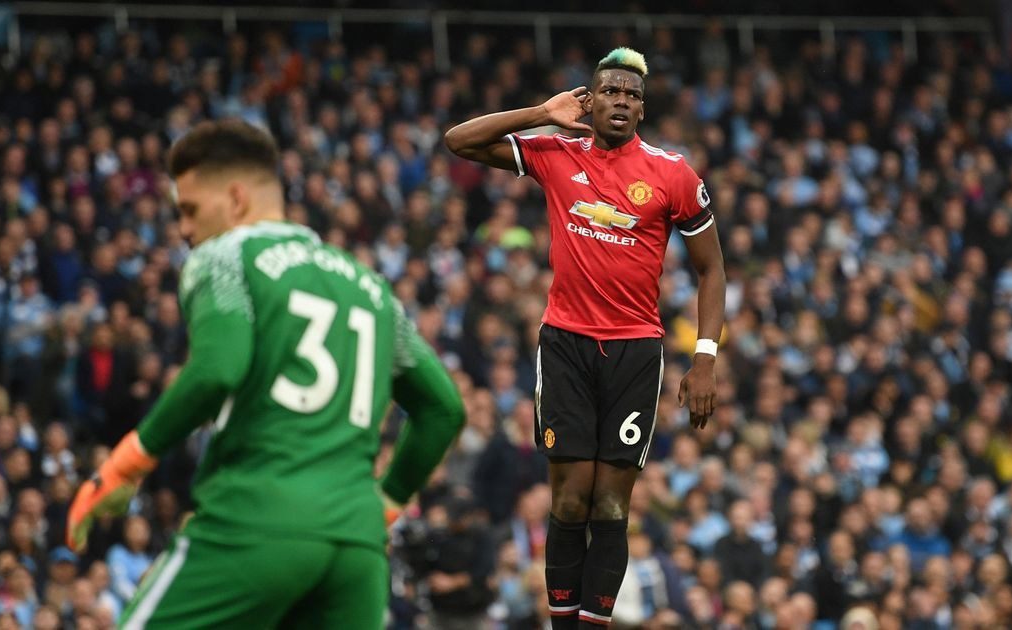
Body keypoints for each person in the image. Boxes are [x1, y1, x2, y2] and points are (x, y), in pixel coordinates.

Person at [65, 119, 465, 629]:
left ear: (235, 199)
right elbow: (443, 409)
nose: (184, 229)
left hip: (257, 520)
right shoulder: (370, 287)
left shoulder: (224, 257)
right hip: (356, 550)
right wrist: (385, 504)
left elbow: (216, 370)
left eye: (189, 209)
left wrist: (125, 464)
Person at [446, 47, 726, 628]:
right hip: (566, 344)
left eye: (632, 95)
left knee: (611, 504)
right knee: (571, 497)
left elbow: (712, 269)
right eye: (610, 91)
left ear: (642, 110)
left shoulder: (673, 173)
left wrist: (705, 357)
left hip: (635, 350)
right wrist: (540, 114)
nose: (621, 101)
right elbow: (459, 141)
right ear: (589, 101)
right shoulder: (556, 154)